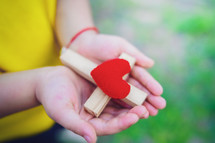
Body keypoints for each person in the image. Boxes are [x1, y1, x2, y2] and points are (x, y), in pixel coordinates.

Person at [0, 0, 166, 143]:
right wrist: (36, 86)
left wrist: (81, 37)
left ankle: (63, 129)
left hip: (65, 87)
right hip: (13, 121)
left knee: (63, 119)